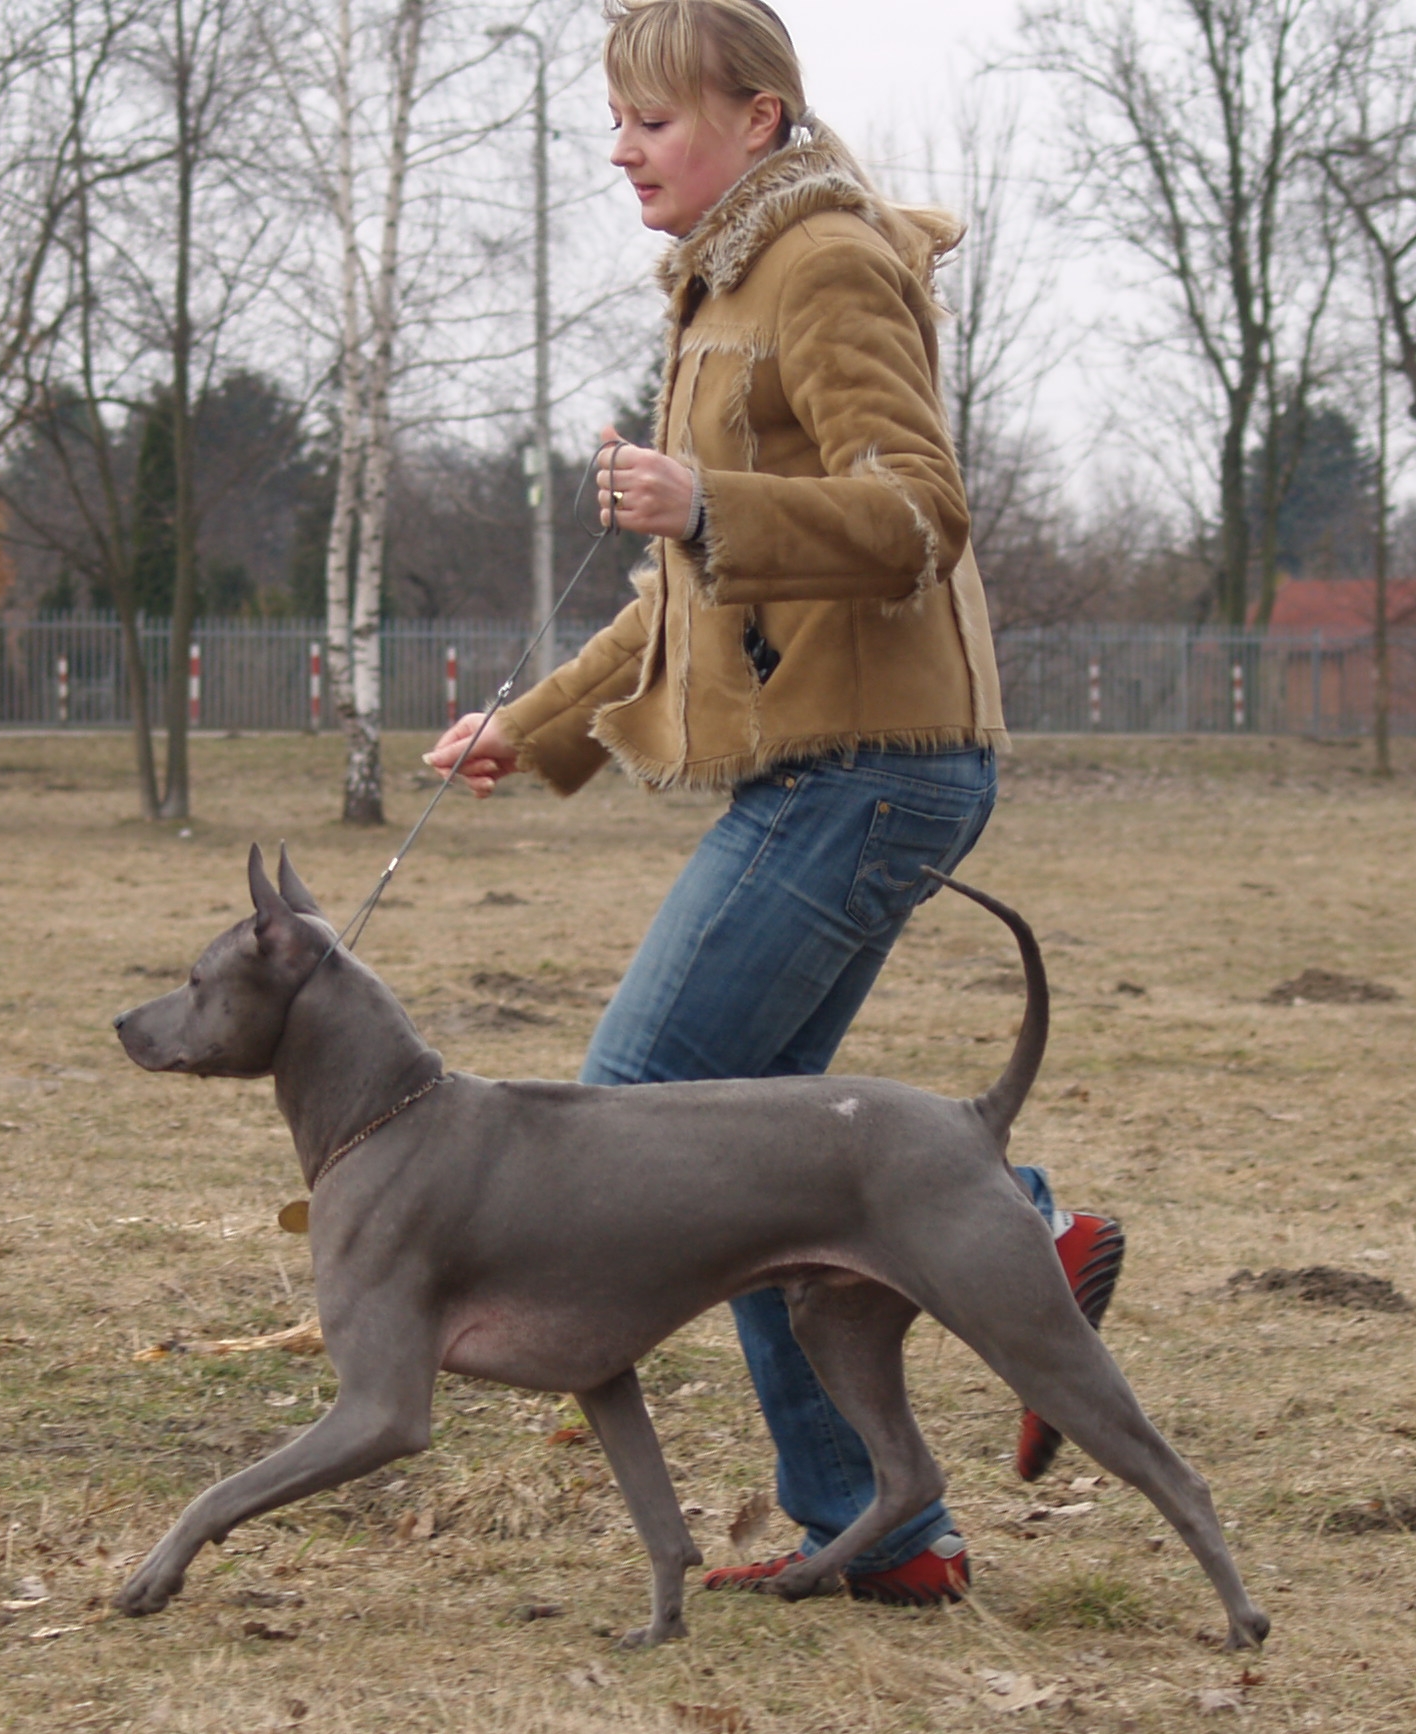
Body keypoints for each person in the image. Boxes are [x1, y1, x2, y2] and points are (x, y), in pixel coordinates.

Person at [426, 0, 1124, 1607]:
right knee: (749, 1172)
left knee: (647, 1118)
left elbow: (918, 513)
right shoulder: (723, 285)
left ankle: (1022, 1235)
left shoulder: (821, 261)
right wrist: (527, 730)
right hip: (838, 771)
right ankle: (888, 1530)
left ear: (755, 118)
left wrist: (708, 495)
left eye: (653, 121)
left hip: (874, 772)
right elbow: (677, 591)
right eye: (616, 121)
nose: (621, 149)